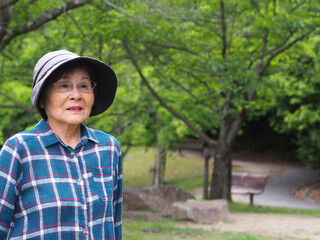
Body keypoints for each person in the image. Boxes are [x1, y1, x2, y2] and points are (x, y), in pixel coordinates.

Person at [0, 50, 123, 240]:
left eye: (84, 85)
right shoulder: (19, 149)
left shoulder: (108, 148)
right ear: (42, 98)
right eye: (64, 85)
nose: (76, 95)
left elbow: (114, 225)